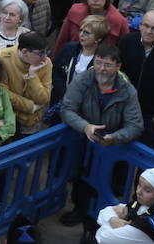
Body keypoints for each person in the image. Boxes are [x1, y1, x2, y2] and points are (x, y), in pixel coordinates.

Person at [60, 45, 145, 228]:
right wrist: (85, 127)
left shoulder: (127, 90)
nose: (101, 68)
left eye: (107, 65)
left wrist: (115, 137)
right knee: (81, 178)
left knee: (109, 183)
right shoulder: (84, 80)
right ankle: (79, 210)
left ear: (118, 66)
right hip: (85, 141)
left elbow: (135, 125)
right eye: (98, 63)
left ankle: (100, 220)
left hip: (113, 147)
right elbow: (67, 108)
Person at [90, 165, 154, 244]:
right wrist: (112, 219)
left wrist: (114, 222)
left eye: (147, 190)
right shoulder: (138, 205)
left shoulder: (150, 224)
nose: (139, 192)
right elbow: (104, 212)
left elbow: (102, 237)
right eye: (139, 185)